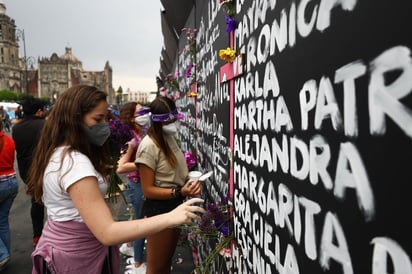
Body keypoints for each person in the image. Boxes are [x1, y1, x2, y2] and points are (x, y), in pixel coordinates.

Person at [25, 85, 205, 274]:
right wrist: (170, 217)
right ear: (74, 119)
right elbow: (107, 232)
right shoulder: (75, 163)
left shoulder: (64, 155)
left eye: (106, 118)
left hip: (72, 251)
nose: (105, 125)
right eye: (98, 119)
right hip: (77, 258)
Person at [135, 96, 202, 274]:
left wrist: (190, 183)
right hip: (160, 210)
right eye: (169, 121)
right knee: (156, 268)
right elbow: (148, 190)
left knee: (166, 263)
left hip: (174, 206)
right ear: (157, 122)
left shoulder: (168, 137)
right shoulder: (148, 146)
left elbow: (176, 172)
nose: (174, 124)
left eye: (175, 119)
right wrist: (180, 191)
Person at [116, 102, 149, 274]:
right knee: (140, 223)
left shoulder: (140, 132)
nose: (145, 113)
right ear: (131, 117)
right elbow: (121, 167)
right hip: (136, 185)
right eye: (140, 111)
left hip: (139, 183)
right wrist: (144, 163)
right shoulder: (131, 139)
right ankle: (137, 264)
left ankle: (129, 245)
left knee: (136, 217)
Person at [12, 98, 46, 247]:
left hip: (26, 170)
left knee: (36, 201)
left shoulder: (16, 128)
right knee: (54, 201)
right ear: (39, 111)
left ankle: (37, 235)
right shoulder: (44, 125)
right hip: (44, 168)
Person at [0, 119, 19, 271]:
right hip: (12, 181)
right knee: (3, 220)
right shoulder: (8, 139)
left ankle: (2, 254)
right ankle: (4, 255)